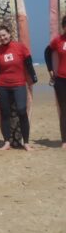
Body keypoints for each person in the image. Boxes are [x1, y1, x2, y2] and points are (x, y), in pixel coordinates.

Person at [0, 25, 37, 151]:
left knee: (22, 111)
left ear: (9, 34)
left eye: (4, 35)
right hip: (2, 86)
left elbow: (28, 63)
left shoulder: (20, 47)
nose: (2, 38)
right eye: (0, 36)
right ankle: (7, 142)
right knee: (5, 114)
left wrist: (33, 78)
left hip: (19, 85)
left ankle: (26, 142)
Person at [45, 14, 66, 148]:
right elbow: (47, 52)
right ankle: (64, 140)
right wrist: (50, 70)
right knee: (64, 111)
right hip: (61, 80)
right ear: (64, 27)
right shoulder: (58, 40)